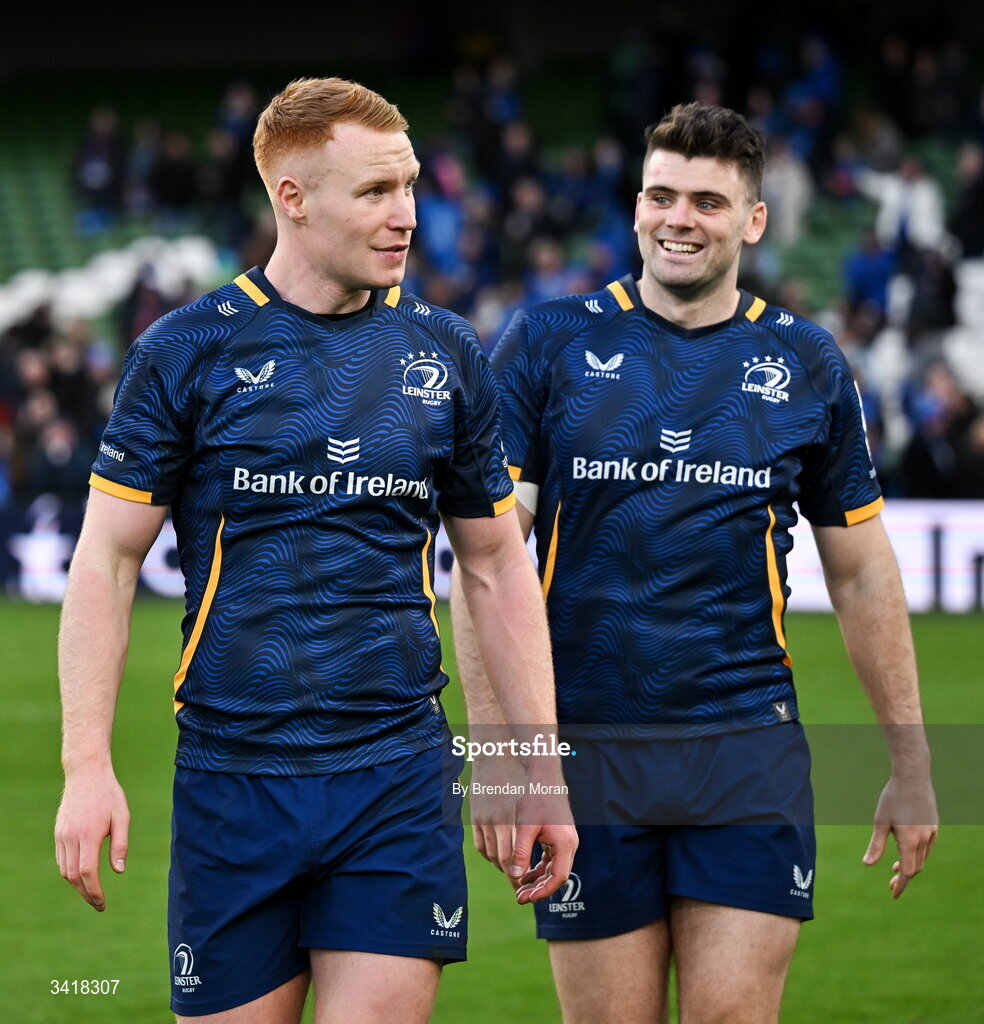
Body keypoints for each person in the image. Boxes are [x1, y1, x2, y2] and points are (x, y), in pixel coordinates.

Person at [54, 76, 576, 1024]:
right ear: (291, 198)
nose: (408, 214)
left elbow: (498, 566)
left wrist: (534, 762)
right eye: (376, 191)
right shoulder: (186, 351)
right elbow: (106, 562)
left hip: (395, 779)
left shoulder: (446, 353)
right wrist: (86, 765)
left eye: (411, 185)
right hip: (231, 781)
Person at [451, 102, 938, 1024]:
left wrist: (910, 760)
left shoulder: (805, 362)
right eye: (661, 195)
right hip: (586, 752)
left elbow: (864, 572)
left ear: (754, 220)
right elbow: (485, 560)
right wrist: (504, 754)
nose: (678, 218)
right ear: (635, 205)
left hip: (745, 748)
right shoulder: (545, 342)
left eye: (708, 202)